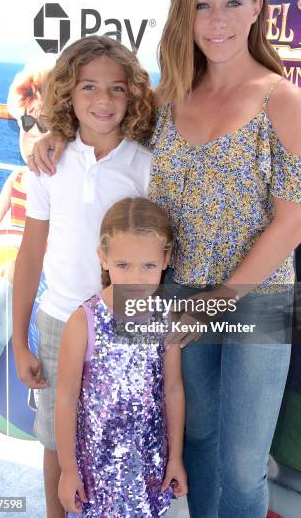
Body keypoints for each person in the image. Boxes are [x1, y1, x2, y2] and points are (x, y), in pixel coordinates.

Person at [29, 0, 301, 518]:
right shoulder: (166, 98)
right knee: (201, 443)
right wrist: (47, 134)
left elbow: (293, 222)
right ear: (184, 12)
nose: (216, 20)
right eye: (201, 4)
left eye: (233, 2)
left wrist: (217, 301)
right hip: (180, 296)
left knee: (242, 468)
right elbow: (97, 120)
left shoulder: (282, 100)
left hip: (257, 304)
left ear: (259, 6)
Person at [12, 35, 155, 518]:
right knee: (56, 439)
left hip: (124, 326)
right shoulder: (47, 162)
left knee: (115, 435)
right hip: (56, 321)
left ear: (133, 94)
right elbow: (31, 253)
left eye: (117, 89)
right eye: (89, 87)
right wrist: (19, 340)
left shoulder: (146, 166)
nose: (103, 100)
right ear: (68, 92)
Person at [55, 197, 187, 517]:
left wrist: (176, 458)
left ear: (165, 259)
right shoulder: (84, 321)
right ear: (103, 258)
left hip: (147, 465)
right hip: (95, 470)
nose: (136, 278)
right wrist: (67, 469)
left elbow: (172, 390)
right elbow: (66, 397)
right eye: (124, 265)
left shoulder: (165, 319)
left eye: (149, 266)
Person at [0, 61, 51, 232]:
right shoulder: (17, 179)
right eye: (28, 122)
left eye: (44, 123)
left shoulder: (67, 185)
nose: (34, 131)